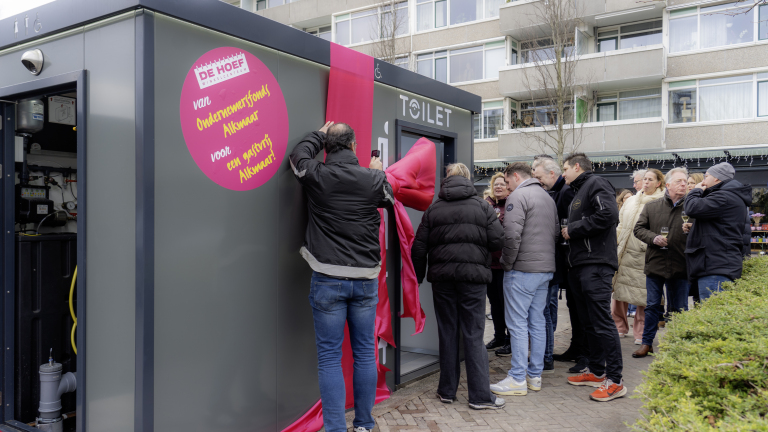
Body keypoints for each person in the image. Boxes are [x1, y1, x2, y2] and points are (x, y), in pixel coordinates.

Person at [290, 122, 393, 432]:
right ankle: (364, 424)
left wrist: (319, 136)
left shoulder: (316, 175)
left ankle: (335, 428)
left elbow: (297, 156)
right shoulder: (373, 178)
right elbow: (388, 200)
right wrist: (378, 171)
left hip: (327, 277)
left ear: (327, 147)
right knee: (364, 353)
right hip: (365, 279)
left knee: (330, 358)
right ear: (354, 146)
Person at [411, 163, 506, 410]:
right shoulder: (482, 207)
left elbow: (418, 247)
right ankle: (480, 396)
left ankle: (446, 391)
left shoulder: (434, 209)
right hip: (473, 279)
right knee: (474, 335)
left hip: (443, 280)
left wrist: (418, 277)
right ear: (467, 179)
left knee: (448, 332)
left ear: (447, 180)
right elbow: (498, 241)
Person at [561, 153, 626, 402]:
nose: (563, 173)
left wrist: (572, 230)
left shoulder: (596, 183)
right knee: (589, 322)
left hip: (596, 264)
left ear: (577, 166)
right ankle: (598, 371)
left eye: (565, 168)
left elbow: (609, 215)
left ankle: (616, 381)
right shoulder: (579, 189)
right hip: (581, 264)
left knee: (601, 322)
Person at [490, 162, 558, 396]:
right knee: (537, 322)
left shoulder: (518, 197)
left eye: (507, 182)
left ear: (516, 176)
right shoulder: (547, 197)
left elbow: (511, 235)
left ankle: (517, 377)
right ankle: (534, 376)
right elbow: (556, 232)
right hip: (544, 270)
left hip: (522, 270)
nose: (506, 187)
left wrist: (506, 264)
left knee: (517, 324)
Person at [631, 168, 691, 358]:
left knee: (679, 308)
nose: (684, 184)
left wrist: (693, 229)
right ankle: (647, 344)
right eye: (680, 181)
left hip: (681, 264)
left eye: (686, 181)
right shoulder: (652, 206)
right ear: (668, 185)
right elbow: (638, 229)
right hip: (656, 264)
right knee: (652, 306)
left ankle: (678, 345)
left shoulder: (693, 207)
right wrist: (653, 238)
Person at [531, 155, 577, 373]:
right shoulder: (555, 192)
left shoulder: (565, 192)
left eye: (539, 176)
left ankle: (547, 357)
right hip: (555, 260)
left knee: (547, 311)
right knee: (550, 310)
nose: (537, 180)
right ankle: (549, 355)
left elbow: (565, 226)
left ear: (552, 173)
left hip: (557, 260)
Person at [684, 162, 752, 301]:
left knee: (710, 317)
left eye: (706, 176)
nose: (703, 181)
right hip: (717, 265)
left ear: (716, 178)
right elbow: (721, 226)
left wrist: (695, 191)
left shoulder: (723, 196)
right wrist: (696, 228)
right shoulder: (728, 195)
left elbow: (691, 207)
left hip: (715, 268)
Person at [612, 169, 665, 345]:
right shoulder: (632, 201)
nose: (645, 183)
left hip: (644, 253)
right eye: (644, 179)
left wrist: (645, 244)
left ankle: (640, 332)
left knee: (643, 294)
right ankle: (619, 326)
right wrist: (616, 243)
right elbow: (621, 225)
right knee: (619, 291)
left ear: (658, 183)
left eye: (650, 179)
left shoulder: (661, 201)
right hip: (624, 251)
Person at [482, 172, 511, 354]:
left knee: (506, 303)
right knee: (494, 303)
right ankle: (499, 336)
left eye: (502, 184)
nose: (498, 187)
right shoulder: (486, 205)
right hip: (489, 264)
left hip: (505, 264)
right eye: (495, 184)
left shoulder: (512, 205)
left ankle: (509, 338)